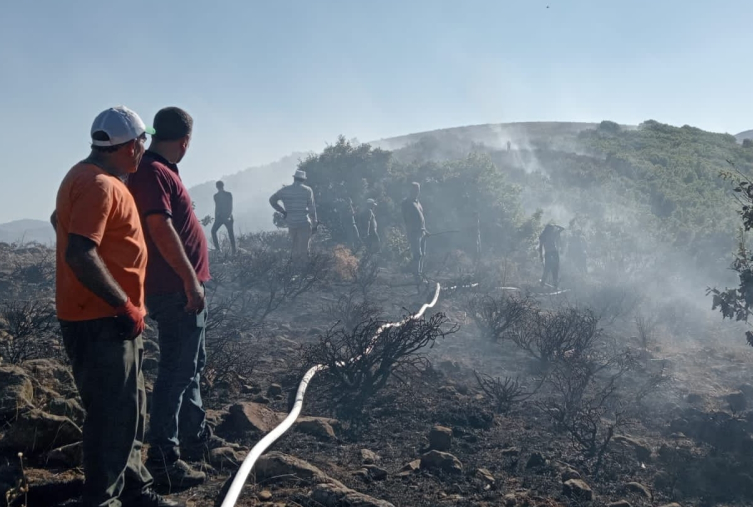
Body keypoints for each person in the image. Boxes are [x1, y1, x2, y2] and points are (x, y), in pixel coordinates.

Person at [52, 106, 182, 507]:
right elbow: (80, 253)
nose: (144, 148)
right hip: (103, 319)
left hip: (100, 315)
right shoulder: (100, 185)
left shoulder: (87, 176)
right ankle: (102, 500)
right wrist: (123, 304)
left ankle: (135, 488)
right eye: (141, 141)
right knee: (112, 416)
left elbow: (60, 219)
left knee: (127, 409)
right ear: (126, 146)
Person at [128, 107, 232, 488]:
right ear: (185, 141)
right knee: (176, 369)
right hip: (173, 289)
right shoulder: (154, 171)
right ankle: (164, 458)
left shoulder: (158, 169)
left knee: (191, 365)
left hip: (177, 287)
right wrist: (190, 280)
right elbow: (159, 224)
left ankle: (194, 436)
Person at [269, 170, 318, 262]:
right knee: (304, 251)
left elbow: (272, 200)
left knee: (294, 250)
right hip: (304, 223)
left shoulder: (284, 190)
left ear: (294, 178)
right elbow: (312, 209)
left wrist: (283, 212)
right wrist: (315, 224)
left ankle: (294, 271)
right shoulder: (307, 190)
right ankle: (305, 272)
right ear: (303, 179)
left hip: (291, 224)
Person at [402, 182, 427, 285]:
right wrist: (416, 229)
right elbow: (408, 219)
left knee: (422, 254)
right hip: (414, 232)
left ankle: (419, 275)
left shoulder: (418, 202)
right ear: (410, 190)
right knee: (417, 254)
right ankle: (417, 277)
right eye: (414, 189)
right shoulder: (407, 202)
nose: (416, 192)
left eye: (417, 190)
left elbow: (421, 218)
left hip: (422, 232)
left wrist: (425, 230)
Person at [211, 181, 236, 254]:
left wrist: (217, 217)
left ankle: (218, 250)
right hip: (225, 217)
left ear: (216, 187)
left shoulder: (216, 196)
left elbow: (217, 207)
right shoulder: (228, 194)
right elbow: (230, 206)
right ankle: (233, 251)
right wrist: (229, 215)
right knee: (230, 233)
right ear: (223, 185)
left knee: (213, 231)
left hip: (221, 217)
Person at [538, 223, 564, 288]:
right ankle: (545, 283)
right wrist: (556, 225)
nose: (552, 230)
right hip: (551, 253)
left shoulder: (546, 235)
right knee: (550, 269)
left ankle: (551, 284)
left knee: (551, 269)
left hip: (551, 253)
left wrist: (541, 256)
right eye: (552, 229)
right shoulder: (546, 235)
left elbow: (540, 247)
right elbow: (540, 247)